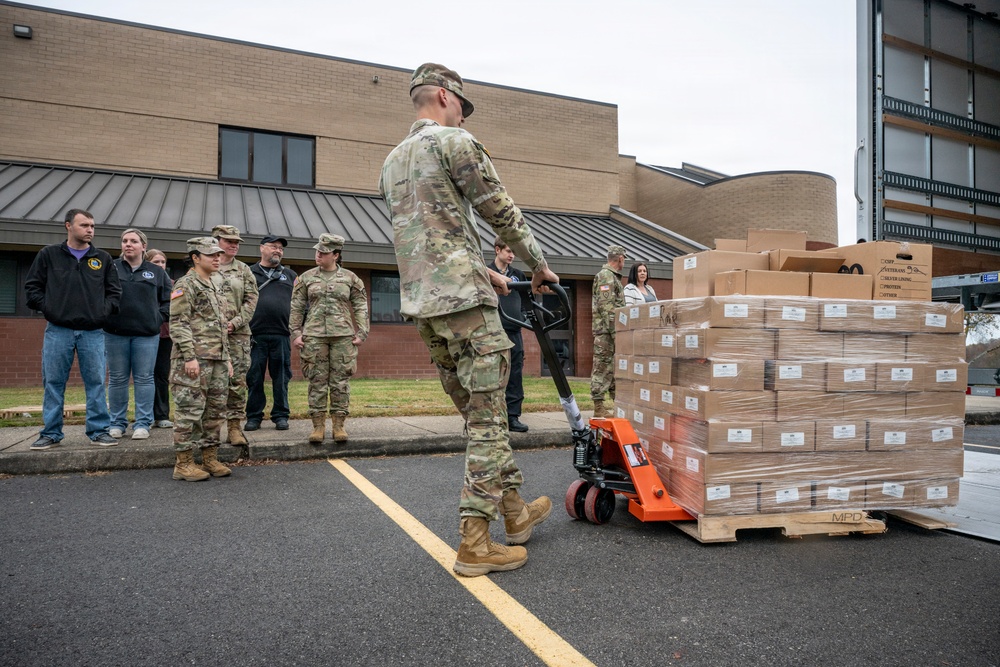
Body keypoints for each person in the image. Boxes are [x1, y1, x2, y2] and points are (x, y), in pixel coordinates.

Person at [379, 62, 560, 577]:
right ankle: (475, 541)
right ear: (443, 96)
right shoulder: (454, 142)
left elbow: (428, 235)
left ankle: (515, 513)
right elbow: (500, 211)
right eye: (461, 105)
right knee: (488, 423)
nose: (463, 115)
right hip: (466, 308)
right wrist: (538, 265)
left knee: (483, 417)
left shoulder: (391, 162)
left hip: (426, 309)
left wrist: (488, 272)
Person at [24, 209, 121, 450]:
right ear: (68, 225)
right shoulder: (48, 255)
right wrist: (50, 309)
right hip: (58, 330)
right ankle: (51, 433)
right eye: (84, 225)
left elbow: (114, 293)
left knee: (96, 382)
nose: (90, 230)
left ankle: (99, 431)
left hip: (93, 332)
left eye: (92, 226)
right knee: (53, 382)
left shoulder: (102, 258)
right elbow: (32, 288)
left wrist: (101, 313)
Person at [289, 234, 369, 444]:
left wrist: (362, 332)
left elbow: (360, 305)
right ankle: (318, 426)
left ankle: (339, 425)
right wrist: (296, 333)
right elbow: (296, 307)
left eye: (323, 252)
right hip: (314, 336)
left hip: (343, 337)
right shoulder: (306, 278)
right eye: (318, 251)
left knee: (340, 382)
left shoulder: (351, 278)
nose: (318, 255)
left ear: (336, 255)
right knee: (317, 381)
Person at [169, 237, 232, 482]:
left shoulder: (215, 283)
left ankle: (209, 458)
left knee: (215, 411)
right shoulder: (186, 284)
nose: (217, 258)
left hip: (217, 359)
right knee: (189, 411)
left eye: (218, 254)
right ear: (195, 257)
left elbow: (220, 325)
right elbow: (179, 323)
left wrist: (226, 357)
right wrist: (189, 356)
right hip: (194, 359)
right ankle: (183, 464)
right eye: (211, 255)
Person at [103, 229, 171, 440]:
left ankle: (142, 423)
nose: (128, 244)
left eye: (133, 241)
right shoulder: (111, 267)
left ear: (143, 246)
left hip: (146, 335)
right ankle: (117, 423)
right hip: (115, 333)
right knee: (117, 379)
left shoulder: (156, 272)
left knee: (144, 378)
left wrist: (157, 318)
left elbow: (168, 300)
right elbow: (100, 294)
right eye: (124, 241)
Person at [210, 225, 258, 450]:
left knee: (237, 381)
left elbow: (251, 299)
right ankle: (211, 430)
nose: (234, 245)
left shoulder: (243, 270)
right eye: (229, 241)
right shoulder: (206, 266)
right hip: (209, 336)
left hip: (238, 335)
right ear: (216, 241)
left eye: (237, 242)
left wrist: (235, 322)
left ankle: (235, 427)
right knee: (212, 382)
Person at [246, 235, 297, 432]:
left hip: (281, 334)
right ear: (262, 248)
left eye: (281, 248)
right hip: (254, 335)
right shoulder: (248, 273)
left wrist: (298, 327)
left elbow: (301, 303)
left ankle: (281, 415)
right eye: (274, 246)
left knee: (282, 377)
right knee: (254, 377)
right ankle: (254, 416)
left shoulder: (290, 275)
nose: (278, 250)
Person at [487, 236, 529, 433]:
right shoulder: (485, 272)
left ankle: (513, 417)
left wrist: (523, 317)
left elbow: (527, 300)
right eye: (508, 251)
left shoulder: (518, 275)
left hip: (514, 331)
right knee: (491, 375)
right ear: (498, 250)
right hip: (491, 332)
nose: (512, 255)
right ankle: (492, 417)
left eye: (514, 252)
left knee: (515, 375)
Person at [591, 244, 627, 418]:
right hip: (606, 333)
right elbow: (607, 308)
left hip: (609, 332)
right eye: (624, 258)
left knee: (612, 368)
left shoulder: (611, 276)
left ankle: (615, 403)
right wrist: (615, 333)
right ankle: (598, 406)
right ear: (620, 258)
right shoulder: (606, 276)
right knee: (602, 367)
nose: (624, 262)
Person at [146, 249, 174, 428]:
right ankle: (146, 415)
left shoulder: (173, 285)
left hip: (166, 336)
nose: (161, 265)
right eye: (156, 262)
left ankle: (162, 415)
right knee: (145, 376)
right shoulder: (143, 282)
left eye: (163, 262)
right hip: (146, 334)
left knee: (162, 375)